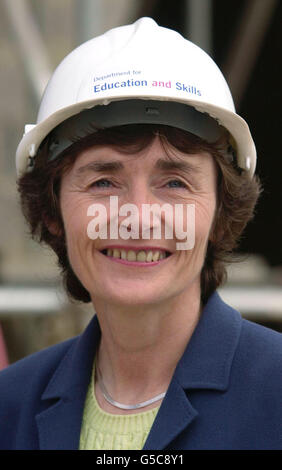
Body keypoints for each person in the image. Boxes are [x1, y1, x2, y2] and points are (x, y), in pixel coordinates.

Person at [0, 17, 281, 451]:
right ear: (52, 209)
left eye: (174, 183)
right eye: (103, 182)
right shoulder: (9, 406)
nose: (137, 217)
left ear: (220, 211)